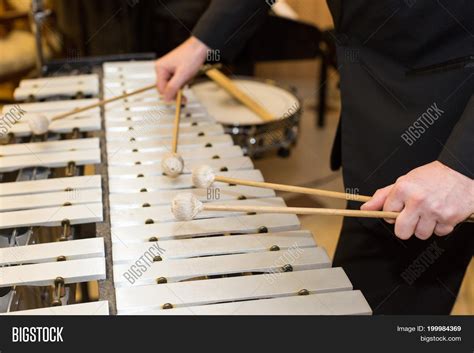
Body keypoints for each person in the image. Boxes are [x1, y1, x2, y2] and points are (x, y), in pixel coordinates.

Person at [155, 1, 474, 314]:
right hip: (371, 143)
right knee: (351, 303)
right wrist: (204, 42)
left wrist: (462, 168)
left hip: (443, 144)